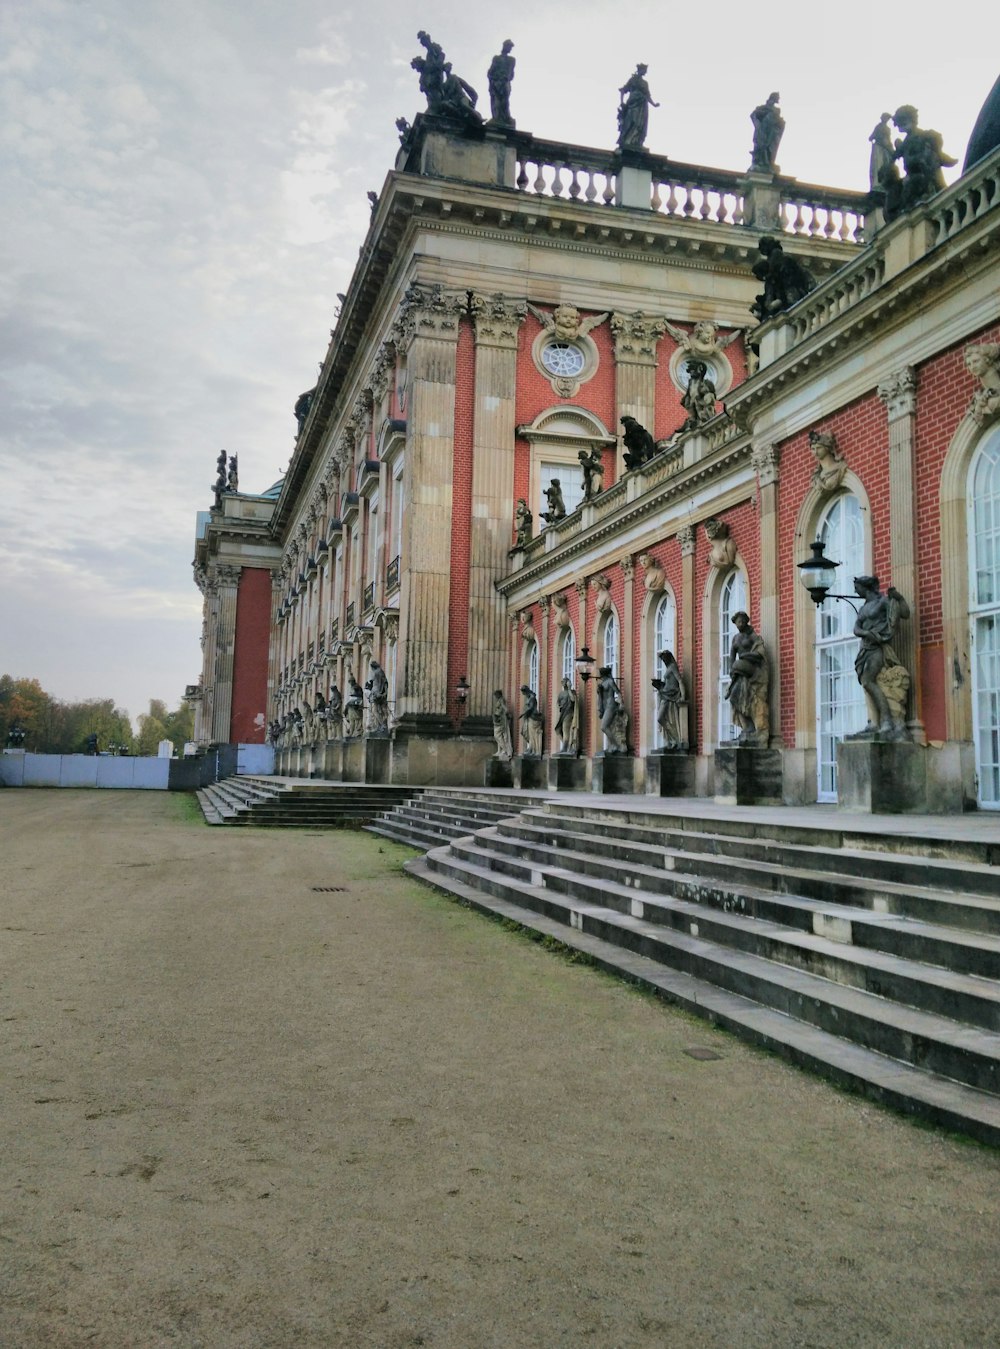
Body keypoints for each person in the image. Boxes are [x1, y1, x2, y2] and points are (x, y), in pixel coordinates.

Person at [852, 576, 910, 737]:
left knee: (868, 681)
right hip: (865, 648)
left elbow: (904, 614)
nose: (855, 591)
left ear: (866, 587)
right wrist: (866, 633)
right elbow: (856, 629)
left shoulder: (883, 602)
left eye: (857, 587)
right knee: (867, 684)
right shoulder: (863, 607)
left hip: (878, 648)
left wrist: (899, 598)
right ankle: (874, 722)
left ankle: (887, 720)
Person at [726, 612, 769, 744]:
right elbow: (732, 656)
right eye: (738, 622)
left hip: (751, 670)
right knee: (734, 698)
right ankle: (747, 728)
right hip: (739, 674)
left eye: (743, 621)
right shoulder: (735, 638)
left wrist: (745, 657)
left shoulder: (752, 636)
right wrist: (731, 670)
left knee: (749, 699)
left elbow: (759, 654)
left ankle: (755, 729)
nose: (741, 624)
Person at [617, 64, 658, 151]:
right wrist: (621, 102)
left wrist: (654, 104)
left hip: (642, 105)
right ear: (640, 70)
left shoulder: (645, 83)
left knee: (640, 124)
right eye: (644, 70)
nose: (645, 72)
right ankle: (627, 141)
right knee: (631, 121)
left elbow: (647, 96)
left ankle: (636, 141)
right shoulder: (632, 80)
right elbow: (623, 90)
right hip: (632, 103)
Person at [652, 651, 685, 748]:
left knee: (660, 718)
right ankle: (670, 740)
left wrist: (683, 695)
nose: (663, 661)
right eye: (662, 660)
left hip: (670, 695)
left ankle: (674, 738)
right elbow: (668, 683)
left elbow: (680, 680)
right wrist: (659, 685)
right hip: (665, 694)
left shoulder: (673, 667)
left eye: (664, 659)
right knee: (660, 718)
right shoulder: (669, 668)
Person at [750, 92, 784, 172]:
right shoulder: (762, 107)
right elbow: (753, 115)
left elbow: (779, 122)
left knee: (770, 147)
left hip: (772, 132)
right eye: (777, 98)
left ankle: (768, 163)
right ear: (773, 98)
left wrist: (780, 123)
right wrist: (757, 123)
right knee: (761, 145)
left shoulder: (777, 110)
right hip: (762, 129)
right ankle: (761, 162)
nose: (778, 99)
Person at [596, 666, 627, 752]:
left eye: (600, 674)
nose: (600, 676)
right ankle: (612, 746)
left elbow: (618, 692)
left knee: (604, 726)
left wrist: (621, 704)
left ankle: (616, 745)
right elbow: (600, 697)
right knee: (608, 726)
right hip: (606, 706)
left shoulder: (610, 681)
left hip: (611, 705)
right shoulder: (602, 683)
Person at [487, 39, 515, 126]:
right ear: (505, 46)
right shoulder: (496, 58)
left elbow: (511, 72)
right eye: (509, 46)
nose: (510, 49)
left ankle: (505, 118)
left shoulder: (511, 59)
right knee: (496, 100)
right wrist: (493, 80)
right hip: (495, 81)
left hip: (504, 81)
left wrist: (505, 78)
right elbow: (490, 71)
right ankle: (496, 117)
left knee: (504, 101)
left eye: (511, 47)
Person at [554, 677, 579, 754]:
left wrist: (569, 689)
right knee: (560, 729)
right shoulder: (561, 693)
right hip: (562, 713)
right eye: (562, 682)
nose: (562, 683)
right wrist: (559, 706)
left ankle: (565, 747)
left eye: (564, 681)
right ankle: (566, 746)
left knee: (566, 730)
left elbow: (573, 700)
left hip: (569, 713)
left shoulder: (572, 692)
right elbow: (558, 703)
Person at [519, 685, 544, 756]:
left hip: (533, 717)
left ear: (526, 691)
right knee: (529, 734)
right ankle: (531, 748)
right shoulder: (529, 697)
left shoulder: (532, 698)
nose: (523, 695)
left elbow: (531, 708)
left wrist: (523, 714)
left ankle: (533, 749)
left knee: (533, 734)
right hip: (529, 717)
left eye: (523, 693)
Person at [367, 660, 389, 732]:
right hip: (380, 692)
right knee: (382, 711)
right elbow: (385, 683)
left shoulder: (376, 672)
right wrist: (385, 692)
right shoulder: (381, 672)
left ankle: (381, 724)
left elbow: (379, 684)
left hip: (376, 693)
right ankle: (382, 725)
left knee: (375, 710)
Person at [492, 690, 513, 761]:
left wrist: (504, 714)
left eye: (496, 695)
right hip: (498, 720)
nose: (495, 697)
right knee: (499, 736)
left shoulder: (501, 700)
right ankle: (500, 750)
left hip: (502, 720)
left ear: (498, 694)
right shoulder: (499, 700)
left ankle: (505, 750)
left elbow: (506, 709)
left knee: (499, 735)